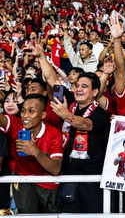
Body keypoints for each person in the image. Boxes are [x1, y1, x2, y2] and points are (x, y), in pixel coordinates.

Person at [23, 44, 108, 213]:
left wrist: (66, 116)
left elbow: (86, 124)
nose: (78, 89)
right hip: (68, 175)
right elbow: (53, 80)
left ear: (95, 91)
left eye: (84, 86)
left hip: (92, 178)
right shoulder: (69, 101)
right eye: (77, 85)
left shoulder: (100, 113)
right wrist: (41, 55)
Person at [0, 94, 63, 213]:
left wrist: (36, 152)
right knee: (27, 214)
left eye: (31, 111)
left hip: (48, 184)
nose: (25, 116)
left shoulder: (54, 134)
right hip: (24, 180)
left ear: (43, 115)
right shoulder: (16, 124)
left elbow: (56, 169)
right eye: (23, 111)